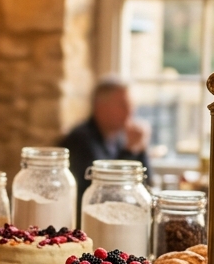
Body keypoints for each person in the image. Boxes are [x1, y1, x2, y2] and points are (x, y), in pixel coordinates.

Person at [61, 75, 151, 204]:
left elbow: (146, 184)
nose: (130, 111)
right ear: (100, 107)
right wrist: (130, 150)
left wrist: (141, 149)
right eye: (123, 105)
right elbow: (106, 192)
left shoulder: (117, 138)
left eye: (131, 105)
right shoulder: (81, 140)